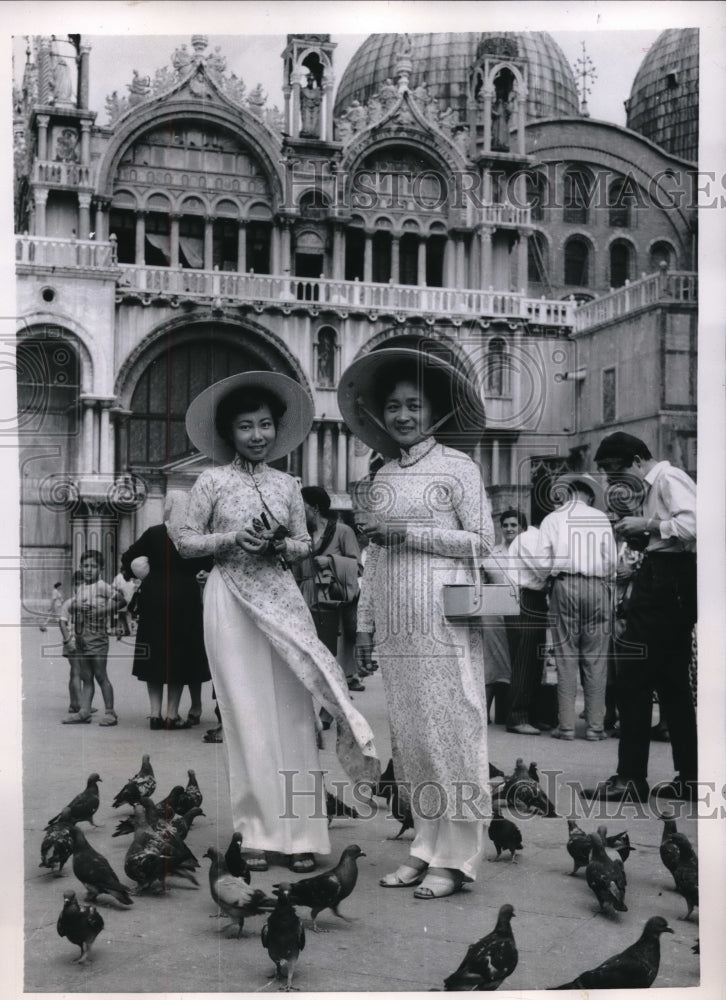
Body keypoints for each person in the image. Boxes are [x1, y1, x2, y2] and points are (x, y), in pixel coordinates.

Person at [179, 371, 378, 874]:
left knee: (294, 716)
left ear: (277, 428)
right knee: (245, 716)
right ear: (229, 432)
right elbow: (184, 541)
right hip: (230, 600)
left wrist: (276, 545)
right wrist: (231, 539)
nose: (257, 435)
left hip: (283, 601)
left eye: (265, 424)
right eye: (245, 426)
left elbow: (303, 544)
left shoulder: (287, 485)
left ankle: (302, 833)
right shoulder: (211, 481)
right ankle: (255, 833)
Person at [339, 346, 494, 900]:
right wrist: (365, 625)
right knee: (412, 739)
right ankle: (425, 847)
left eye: (414, 406)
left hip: (444, 618)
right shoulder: (380, 474)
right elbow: (374, 556)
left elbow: (483, 542)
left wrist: (412, 534)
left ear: (435, 411)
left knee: (453, 731)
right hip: (397, 626)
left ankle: (457, 858)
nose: (403, 416)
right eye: (394, 407)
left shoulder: (458, 467)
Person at [585, 432, 697, 803]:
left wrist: (645, 525)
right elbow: (671, 535)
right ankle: (690, 778)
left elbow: (696, 525)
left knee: (633, 677)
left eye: (615, 471)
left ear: (636, 460)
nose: (613, 480)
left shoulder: (668, 478)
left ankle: (631, 778)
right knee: (671, 682)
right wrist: (637, 534)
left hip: (667, 582)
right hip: (669, 579)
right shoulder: (652, 487)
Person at [532, 474, 616, 741]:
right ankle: (595, 727)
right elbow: (611, 561)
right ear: (589, 495)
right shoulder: (600, 518)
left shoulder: (552, 518)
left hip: (565, 584)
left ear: (568, 493)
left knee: (565, 656)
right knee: (596, 658)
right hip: (596, 586)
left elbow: (541, 562)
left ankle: (566, 726)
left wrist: (550, 579)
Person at [121, 491, 213, 730]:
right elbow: (209, 564)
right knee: (178, 655)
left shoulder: (154, 533)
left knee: (154, 652)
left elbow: (128, 557)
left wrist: (143, 573)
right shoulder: (194, 536)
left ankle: (154, 714)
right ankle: (172, 715)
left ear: (169, 507)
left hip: (154, 595)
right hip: (185, 597)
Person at [297, 485, 364, 692]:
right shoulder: (300, 534)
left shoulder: (343, 532)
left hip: (332, 600)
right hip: (304, 599)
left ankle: (334, 701)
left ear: (315, 508)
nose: (297, 510)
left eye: (302, 505)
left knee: (332, 657)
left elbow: (357, 567)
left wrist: (331, 561)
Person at [60, 550, 125, 726]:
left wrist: (102, 610)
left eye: (94, 566)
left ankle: (110, 712)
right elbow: (74, 609)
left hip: (97, 638)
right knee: (86, 677)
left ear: (101, 568)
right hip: (81, 638)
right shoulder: (81, 588)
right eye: (86, 566)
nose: (89, 569)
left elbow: (121, 601)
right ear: (81, 567)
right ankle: (84, 711)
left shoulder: (102, 586)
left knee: (101, 675)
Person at [501, 510, 551, 736]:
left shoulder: (531, 539)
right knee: (524, 659)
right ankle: (517, 716)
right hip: (524, 598)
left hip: (531, 598)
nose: (510, 529)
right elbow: (542, 569)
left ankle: (530, 714)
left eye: (514, 524)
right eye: (506, 525)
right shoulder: (528, 539)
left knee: (534, 660)